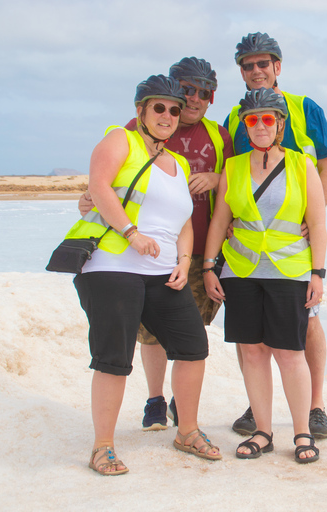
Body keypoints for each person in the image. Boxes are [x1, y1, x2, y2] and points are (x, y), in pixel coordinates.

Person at [66, 75, 221, 475]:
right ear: (141, 111)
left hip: (161, 274)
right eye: (159, 108)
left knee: (193, 347)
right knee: (114, 358)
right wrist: (132, 234)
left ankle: (187, 431)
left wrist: (184, 261)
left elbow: (184, 221)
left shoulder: (178, 163)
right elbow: (98, 187)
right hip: (112, 267)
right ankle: (103, 446)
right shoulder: (121, 139)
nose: (168, 115)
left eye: (173, 109)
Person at [224, 32, 327, 439]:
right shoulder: (237, 116)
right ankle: (260, 411)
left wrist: (314, 211)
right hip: (250, 248)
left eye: (262, 63)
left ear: (278, 66)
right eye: (247, 65)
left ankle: (316, 405)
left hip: (297, 236)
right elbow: (229, 173)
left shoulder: (305, 109)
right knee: (251, 336)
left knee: (305, 323)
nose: (256, 71)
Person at [204, 88, 327, 464]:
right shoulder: (234, 167)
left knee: (290, 354)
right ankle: (263, 431)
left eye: (267, 119)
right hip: (241, 271)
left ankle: (303, 432)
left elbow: (318, 223)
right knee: (252, 352)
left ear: (280, 125)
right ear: (245, 125)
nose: (260, 125)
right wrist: (210, 266)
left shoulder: (301, 165)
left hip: (288, 272)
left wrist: (317, 273)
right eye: (252, 119)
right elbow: (220, 220)